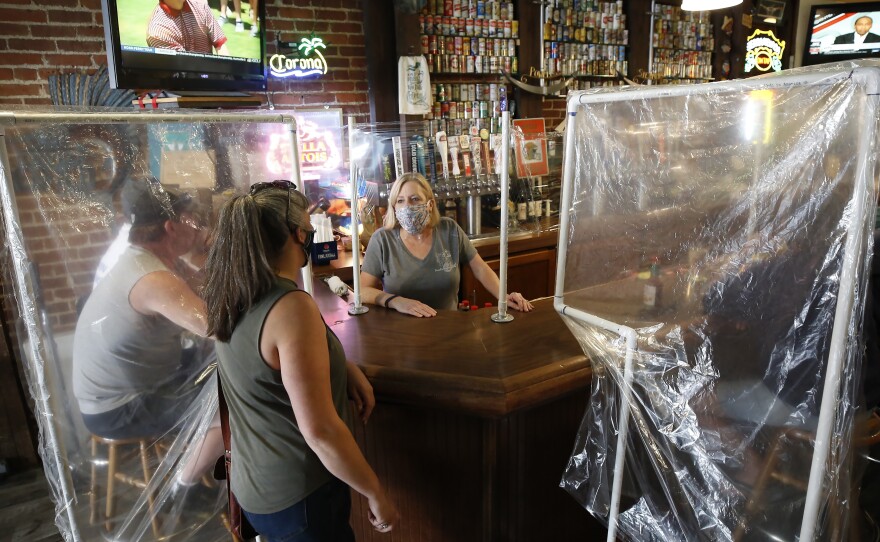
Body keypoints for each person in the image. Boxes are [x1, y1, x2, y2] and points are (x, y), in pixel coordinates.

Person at [202, 181, 399, 540]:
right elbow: (321, 431)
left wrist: (340, 365)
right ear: (297, 234)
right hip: (301, 496)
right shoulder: (291, 307)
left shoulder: (232, 294)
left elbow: (266, 369)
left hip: (254, 488)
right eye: (308, 225)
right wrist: (375, 492)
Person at [73, 178, 222, 486]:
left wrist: (199, 255)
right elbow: (218, 326)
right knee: (237, 405)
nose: (197, 227)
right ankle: (183, 486)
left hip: (143, 378)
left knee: (220, 367)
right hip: (120, 405)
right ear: (171, 227)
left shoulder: (145, 258)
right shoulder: (151, 277)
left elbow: (208, 294)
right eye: (191, 220)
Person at [360, 173, 534, 317]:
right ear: (393, 207)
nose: (407, 206)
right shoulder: (382, 240)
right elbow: (362, 291)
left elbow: (480, 268)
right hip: (402, 334)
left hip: (448, 328)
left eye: (414, 199)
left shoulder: (449, 229)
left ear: (430, 204)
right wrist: (394, 300)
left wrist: (504, 296)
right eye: (400, 201)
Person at [147, 0, 230, 56]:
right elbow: (183, 68)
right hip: (182, 80)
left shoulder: (201, 5)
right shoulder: (158, 31)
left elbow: (220, 45)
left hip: (213, 76)